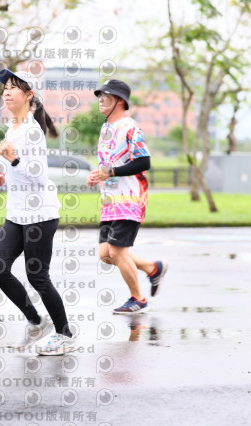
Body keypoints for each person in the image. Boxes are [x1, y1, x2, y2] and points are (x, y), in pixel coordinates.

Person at [0, 68, 76, 356]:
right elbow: (18, 173)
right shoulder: (12, 128)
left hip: (40, 215)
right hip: (17, 214)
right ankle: (37, 322)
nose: (7, 92)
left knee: (38, 277)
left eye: (13, 87)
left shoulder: (32, 131)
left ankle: (64, 334)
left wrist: (13, 160)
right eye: (5, 88)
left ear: (28, 95)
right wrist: (2, 176)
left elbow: (39, 176)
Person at [86, 79, 168, 314]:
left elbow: (144, 162)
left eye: (106, 96)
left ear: (120, 101)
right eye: (100, 96)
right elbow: (109, 163)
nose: (101, 100)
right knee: (105, 254)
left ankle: (138, 299)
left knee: (117, 252)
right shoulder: (106, 129)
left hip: (129, 199)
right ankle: (153, 268)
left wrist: (111, 172)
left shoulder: (130, 128)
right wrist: (98, 175)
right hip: (110, 200)